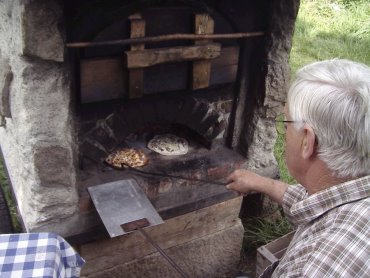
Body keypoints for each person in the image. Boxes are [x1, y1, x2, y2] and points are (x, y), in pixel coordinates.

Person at [227, 59, 370, 277]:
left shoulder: (312, 269)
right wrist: (260, 182)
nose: (283, 136)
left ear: (307, 142)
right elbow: (316, 204)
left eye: (286, 123)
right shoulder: (351, 193)